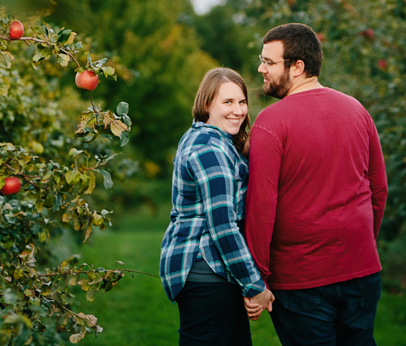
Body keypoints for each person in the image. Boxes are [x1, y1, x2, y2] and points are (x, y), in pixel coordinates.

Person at [244, 23, 388, 346]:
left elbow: (261, 207)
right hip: (362, 271)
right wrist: (361, 243)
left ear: (297, 67)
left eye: (269, 62)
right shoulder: (358, 110)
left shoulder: (271, 122)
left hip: (301, 279)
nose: (260, 69)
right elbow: (379, 189)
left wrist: (256, 279)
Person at [160, 68, 275, 345]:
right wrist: (254, 285)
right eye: (227, 102)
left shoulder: (211, 140)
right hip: (206, 273)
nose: (238, 111)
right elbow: (222, 225)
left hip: (216, 272)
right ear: (207, 104)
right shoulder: (209, 149)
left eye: (242, 102)